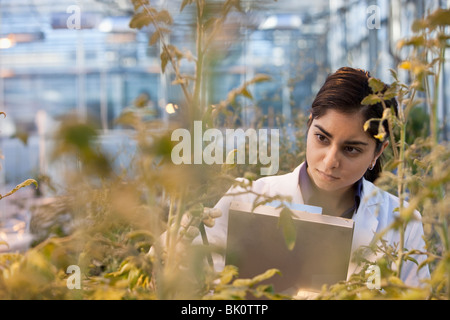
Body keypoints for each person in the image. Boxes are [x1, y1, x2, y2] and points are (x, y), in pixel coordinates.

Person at [205, 67, 430, 288]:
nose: (330, 161)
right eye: (322, 138)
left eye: (351, 149)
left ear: (378, 152)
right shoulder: (244, 199)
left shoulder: (402, 223)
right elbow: (195, 282)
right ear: (309, 123)